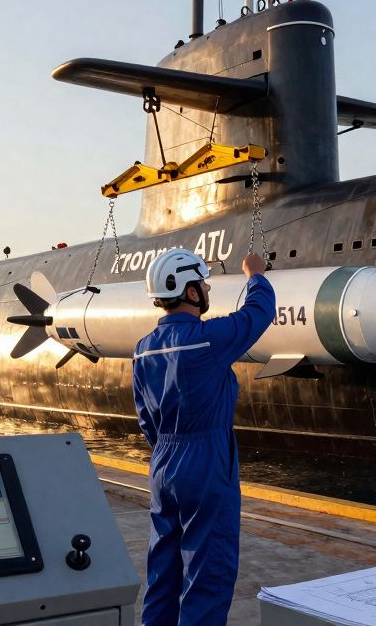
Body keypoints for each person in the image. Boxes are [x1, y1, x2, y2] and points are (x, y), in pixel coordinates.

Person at [133, 249, 275, 626]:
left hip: (163, 462)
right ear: (191, 292)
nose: (207, 288)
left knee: (162, 570)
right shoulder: (207, 340)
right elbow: (257, 315)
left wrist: (169, 451)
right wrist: (256, 275)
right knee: (208, 573)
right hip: (207, 461)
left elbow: (145, 418)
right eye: (203, 283)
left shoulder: (143, 349)